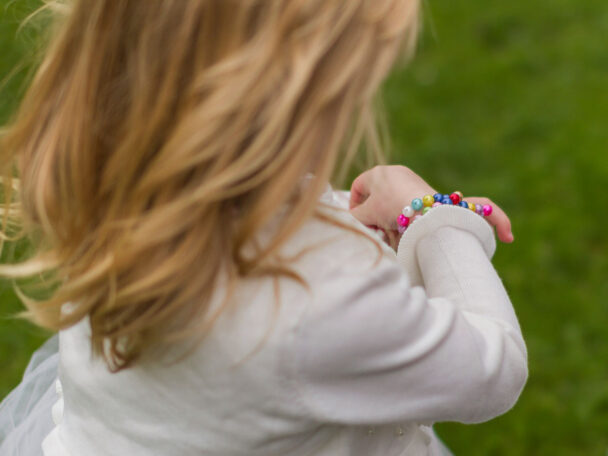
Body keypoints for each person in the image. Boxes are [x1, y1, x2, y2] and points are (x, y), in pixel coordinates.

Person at [0, 1, 527, 455]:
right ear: (307, 93)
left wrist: (360, 218)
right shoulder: (315, 297)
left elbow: (286, 221)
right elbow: (493, 366)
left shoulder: (112, 191)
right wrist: (434, 220)